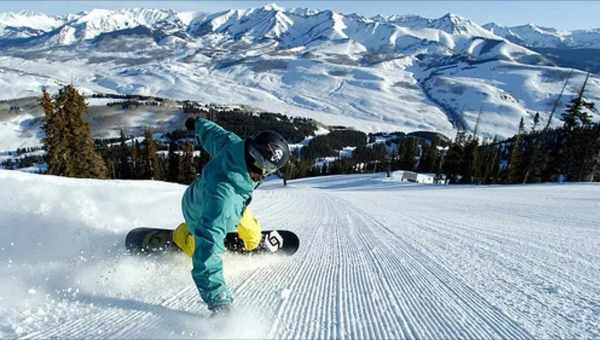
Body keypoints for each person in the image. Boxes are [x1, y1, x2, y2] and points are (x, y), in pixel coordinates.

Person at [171, 116, 290, 316]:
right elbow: (207, 255)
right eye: (260, 163)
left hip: (230, 200)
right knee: (198, 246)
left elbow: (214, 134)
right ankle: (183, 235)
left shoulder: (235, 147)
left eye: (268, 168)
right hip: (198, 209)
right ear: (251, 150)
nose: (260, 170)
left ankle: (252, 243)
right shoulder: (224, 201)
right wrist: (220, 303)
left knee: (252, 233)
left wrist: (198, 124)